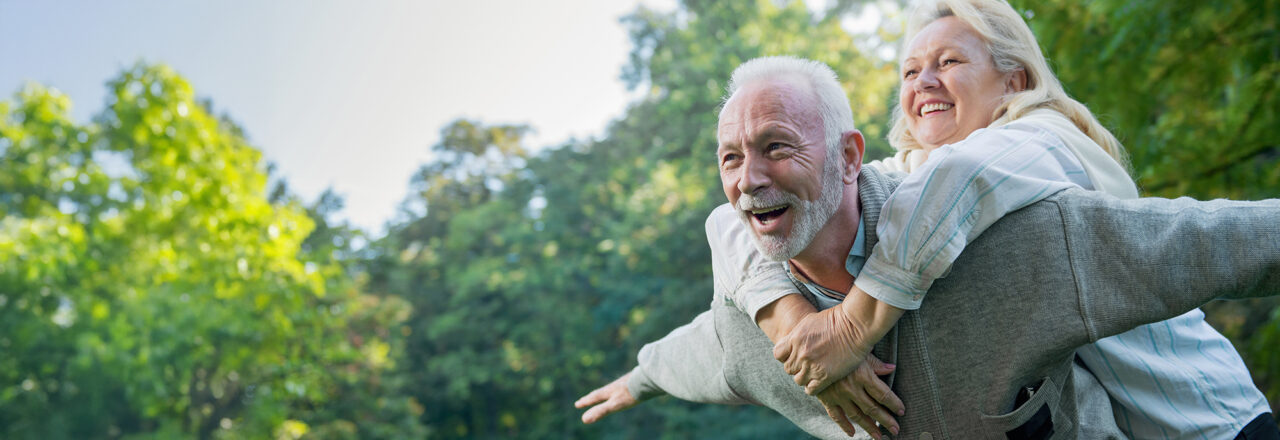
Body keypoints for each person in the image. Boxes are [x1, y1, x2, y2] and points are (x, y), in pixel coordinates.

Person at [575, 55, 1280, 439]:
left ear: (850, 157)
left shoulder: (1008, 243)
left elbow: (1204, 241)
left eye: (777, 147)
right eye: (730, 158)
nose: (748, 179)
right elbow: (701, 352)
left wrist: (852, 328)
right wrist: (641, 376)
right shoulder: (753, 327)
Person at [759, 1, 1274, 439]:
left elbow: (961, 177)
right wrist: (793, 322)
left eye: (948, 61)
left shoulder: (1047, 138)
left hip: (1211, 423)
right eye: (911, 72)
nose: (924, 81)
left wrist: (849, 330)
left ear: (1014, 81)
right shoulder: (918, 171)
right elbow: (738, 218)